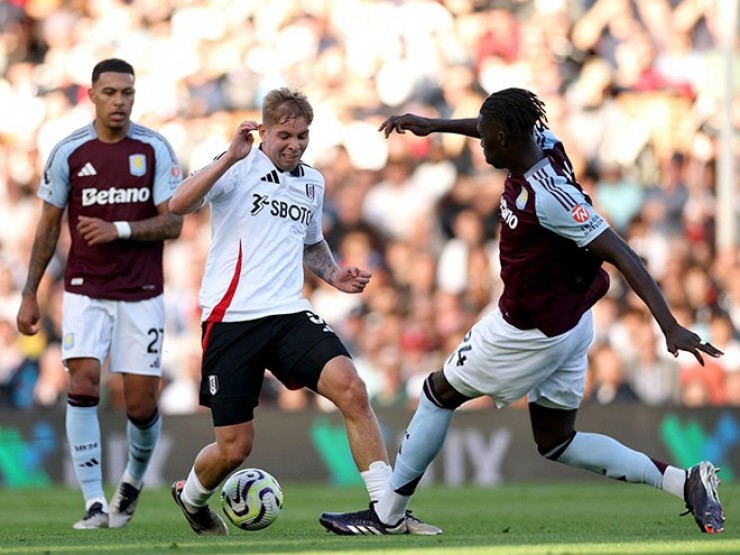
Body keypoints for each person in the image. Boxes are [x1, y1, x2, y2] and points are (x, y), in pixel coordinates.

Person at [319, 88, 725, 535]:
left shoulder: (546, 196)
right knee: (557, 441)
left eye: (489, 139)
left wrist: (669, 326)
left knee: (438, 393)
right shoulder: (541, 142)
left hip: (526, 330)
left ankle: (388, 515)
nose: (482, 146)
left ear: (507, 138)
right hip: (573, 319)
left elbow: (622, 252)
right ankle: (684, 482)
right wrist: (436, 127)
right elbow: (488, 123)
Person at [167, 87, 440, 536]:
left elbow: (310, 242)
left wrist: (333, 274)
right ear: (265, 130)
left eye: (303, 135)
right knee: (235, 447)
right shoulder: (237, 167)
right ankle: (192, 497)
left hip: (288, 313)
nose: (294, 144)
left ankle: (387, 512)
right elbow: (178, 204)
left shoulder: (312, 181)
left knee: (353, 389)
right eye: (285, 135)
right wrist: (229, 158)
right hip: (231, 319)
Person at [16, 58, 183, 529]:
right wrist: (30, 293)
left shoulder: (153, 149)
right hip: (86, 289)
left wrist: (122, 229)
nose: (119, 101)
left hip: (142, 291)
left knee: (140, 404)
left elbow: (174, 222)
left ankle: (130, 482)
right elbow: (49, 226)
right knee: (82, 380)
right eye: (110, 92)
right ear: (91, 95)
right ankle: (92, 501)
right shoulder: (69, 152)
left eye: (127, 93)